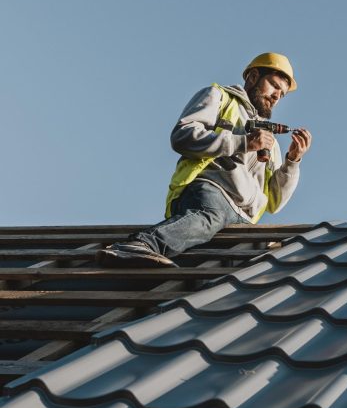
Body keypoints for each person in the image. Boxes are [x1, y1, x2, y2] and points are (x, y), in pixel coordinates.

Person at [96, 52, 312, 267]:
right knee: (209, 217)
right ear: (253, 77)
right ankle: (141, 244)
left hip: (243, 220)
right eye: (274, 86)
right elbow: (182, 136)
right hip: (211, 195)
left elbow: (274, 202)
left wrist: (292, 161)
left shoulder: (270, 143)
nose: (276, 96)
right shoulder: (220, 98)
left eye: (282, 94)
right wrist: (243, 142)